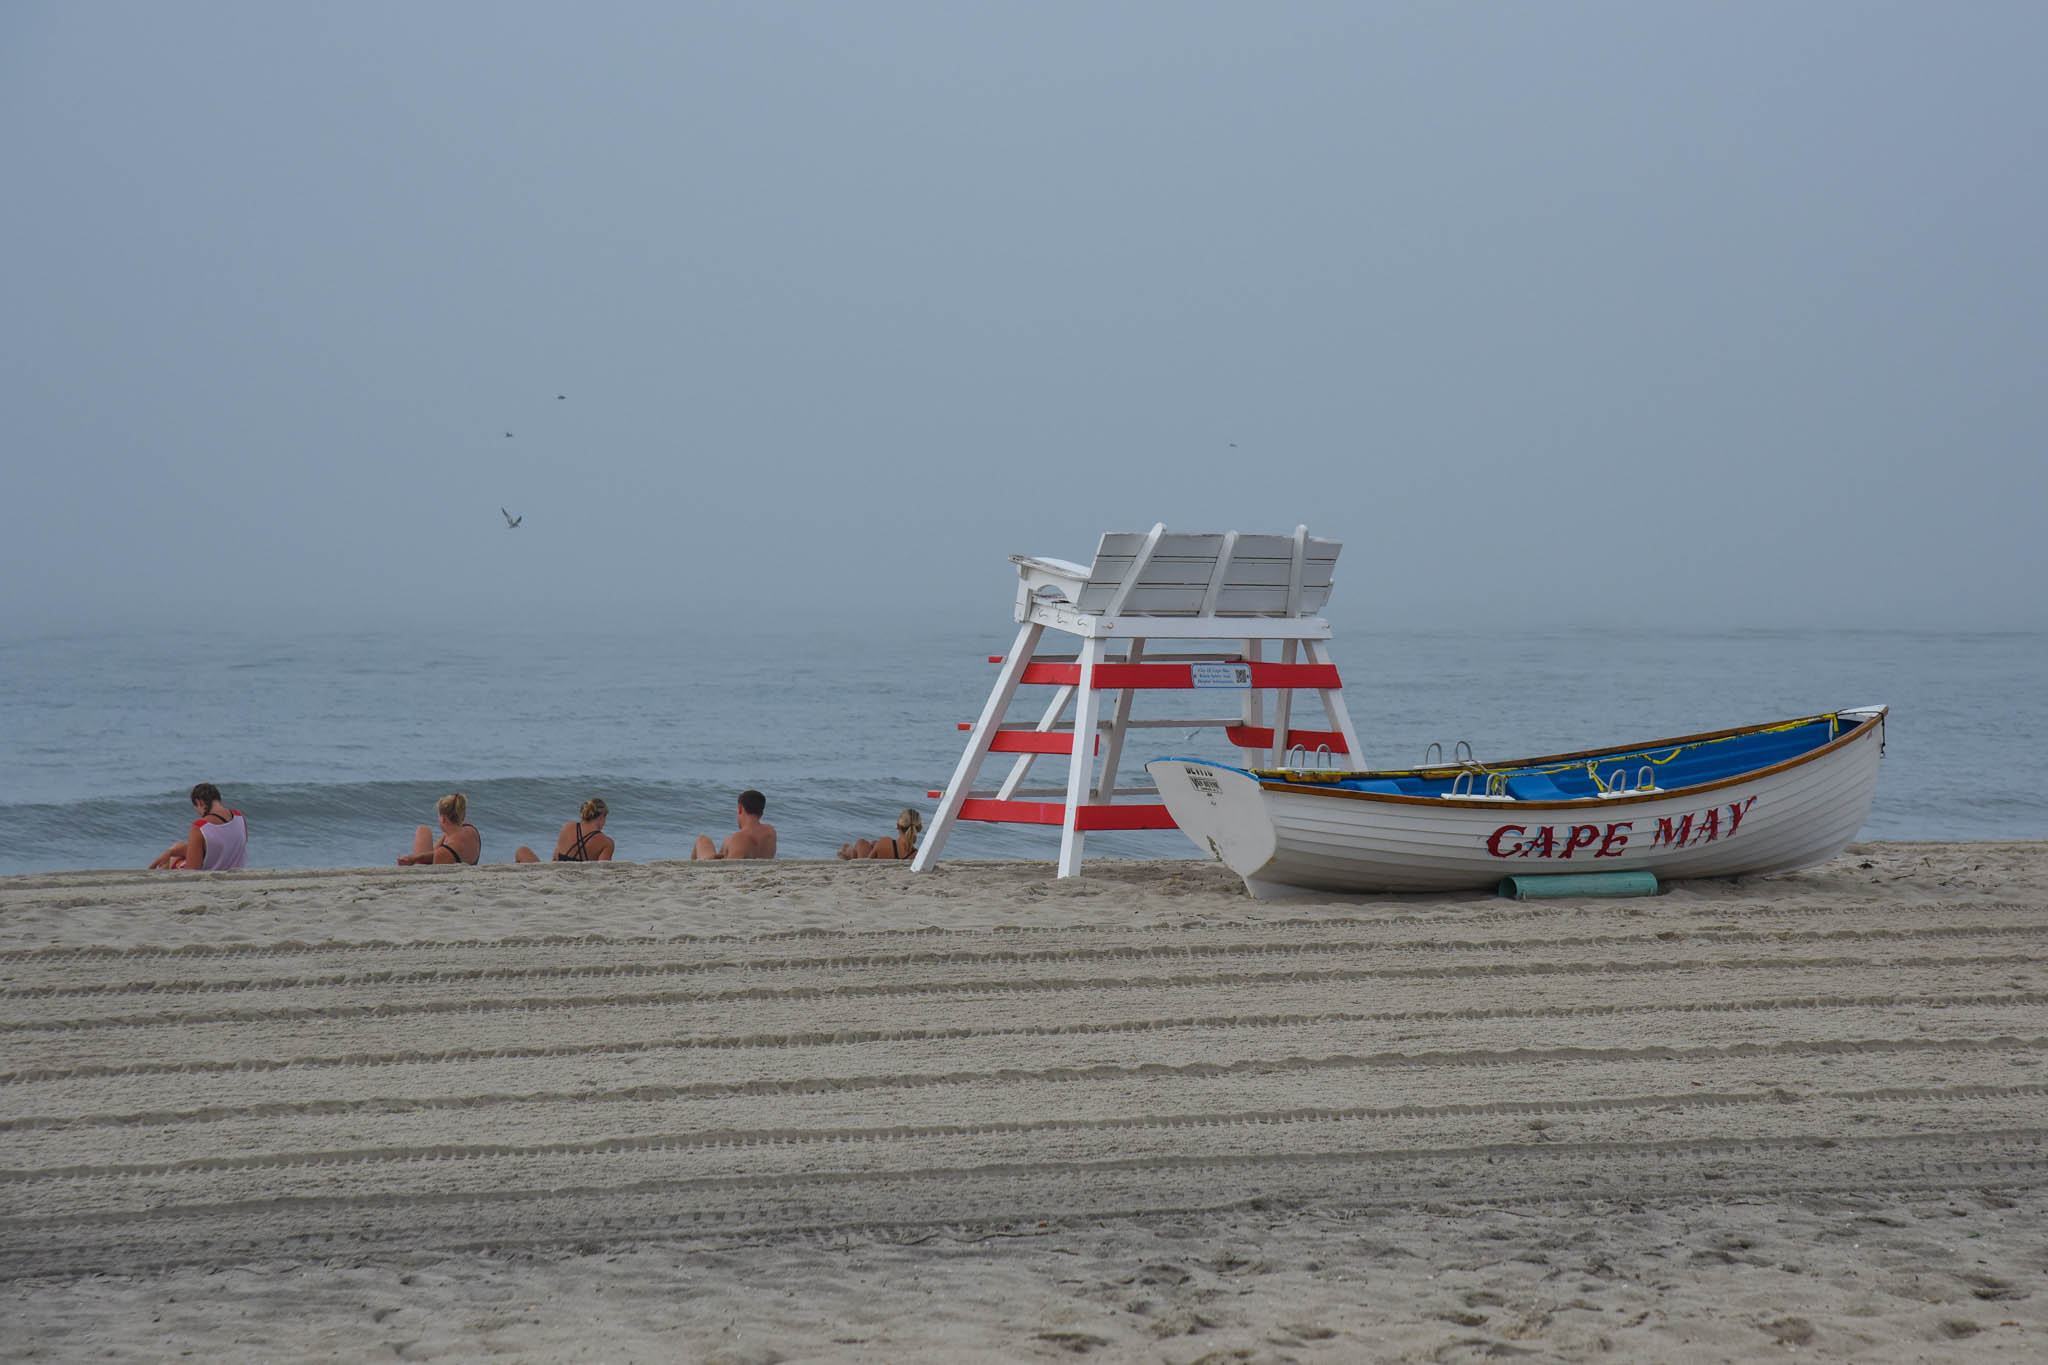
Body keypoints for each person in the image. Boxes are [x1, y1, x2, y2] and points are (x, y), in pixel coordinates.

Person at [148, 783, 248, 870]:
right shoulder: (239, 816)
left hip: (210, 877)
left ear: (199, 802)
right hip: (234, 873)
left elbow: (192, 871)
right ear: (218, 799)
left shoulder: (200, 827)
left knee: (171, 859)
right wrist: (171, 852)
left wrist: (170, 857)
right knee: (177, 846)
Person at [516, 797, 614, 863]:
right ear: (602, 817)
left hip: (556, 874)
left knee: (521, 850)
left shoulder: (567, 827)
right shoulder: (606, 843)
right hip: (580, 880)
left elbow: (555, 858)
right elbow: (602, 871)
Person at [399, 793, 482, 865]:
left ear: (443, 819)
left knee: (418, 862)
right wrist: (416, 857)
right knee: (423, 830)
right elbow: (436, 851)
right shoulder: (470, 828)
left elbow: (432, 876)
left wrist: (415, 861)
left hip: (446, 867)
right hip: (460, 859)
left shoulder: (444, 853)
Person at [692, 789, 776, 860]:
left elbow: (731, 866)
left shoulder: (737, 838)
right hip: (755, 869)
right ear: (761, 812)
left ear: (740, 808)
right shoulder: (770, 832)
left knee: (701, 839)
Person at [839, 807, 924, 861]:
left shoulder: (885, 842)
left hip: (873, 859)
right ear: (919, 829)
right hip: (895, 855)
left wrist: (877, 847)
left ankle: (848, 853)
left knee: (861, 842)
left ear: (897, 826)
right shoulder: (916, 855)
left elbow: (867, 862)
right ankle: (849, 852)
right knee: (873, 844)